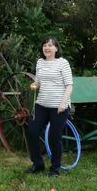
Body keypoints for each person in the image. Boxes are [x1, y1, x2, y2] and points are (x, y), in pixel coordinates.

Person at [26, 36, 74, 177]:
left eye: (50, 45)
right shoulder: (40, 62)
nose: (47, 47)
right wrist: (35, 85)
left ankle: (55, 168)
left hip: (59, 106)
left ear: (56, 48)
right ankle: (38, 164)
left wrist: (63, 103)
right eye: (45, 45)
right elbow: (38, 81)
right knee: (32, 131)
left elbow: (69, 86)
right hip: (41, 104)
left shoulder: (63, 63)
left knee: (54, 136)